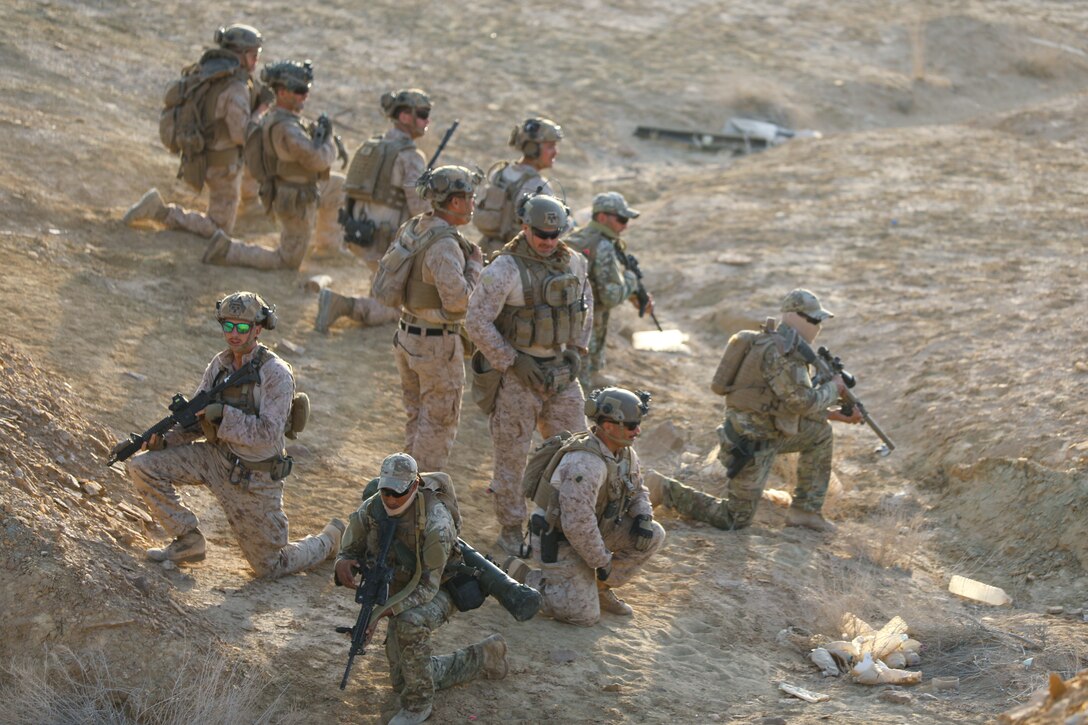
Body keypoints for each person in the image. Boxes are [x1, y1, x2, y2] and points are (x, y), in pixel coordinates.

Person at [121, 292, 343, 577]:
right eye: (228, 326)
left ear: (258, 329)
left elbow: (268, 432)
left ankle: (327, 541)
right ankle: (187, 540)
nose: (234, 334)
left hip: (254, 476)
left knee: (270, 566)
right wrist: (165, 440)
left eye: (242, 327)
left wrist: (224, 416)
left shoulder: (275, 373)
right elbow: (195, 420)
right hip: (215, 459)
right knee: (143, 466)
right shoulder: (220, 365)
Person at [646, 289, 862, 533]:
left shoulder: (782, 346)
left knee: (820, 433)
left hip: (767, 433)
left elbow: (785, 405)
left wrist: (834, 414)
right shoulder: (781, 353)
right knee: (734, 518)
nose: (818, 327)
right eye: (815, 320)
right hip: (750, 443)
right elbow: (803, 402)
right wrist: (835, 387)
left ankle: (806, 511)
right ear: (796, 317)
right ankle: (663, 488)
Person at [335, 453, 509, 725]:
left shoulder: (436, 523)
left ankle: (418, 706)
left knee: (408, 622)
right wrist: (342, 561)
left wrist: (380, 613)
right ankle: (486, 656)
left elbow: (429, 586)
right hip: (403, 585)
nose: (391, 498)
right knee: (402, 679)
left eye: (398, 492)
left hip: (443, 587)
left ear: (414, 487)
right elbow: (350, 546)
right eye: (386, 490)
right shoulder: (372, 509)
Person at [464, 194, 593, 556]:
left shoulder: (575, 264)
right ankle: (510, 528)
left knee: (574, 453)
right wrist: (511, 360)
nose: (548, 241)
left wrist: (577, 351)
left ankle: (559, 524)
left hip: (561, 375)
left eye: (555, 234)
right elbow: (475, 320)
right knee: (511, 456)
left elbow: (587, 309)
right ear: (525, 227)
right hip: (520, 378)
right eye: (541, 234)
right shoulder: (505, 268)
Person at [509, 388, 665, 626]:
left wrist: (643, 515)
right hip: (559, 538)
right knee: (582, 616)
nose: (638, 431)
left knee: (653, 534)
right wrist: (601, 561)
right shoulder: (585, 464)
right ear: (608, 426)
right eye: (632, 425)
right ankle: (526, 577)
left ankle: (599, 588)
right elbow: (576, 525)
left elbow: (638, 489)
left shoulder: (625, 453)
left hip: (596, 530)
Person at [123, 24, 268, 239]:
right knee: (220, 228)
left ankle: (249, 201)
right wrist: (261, 111)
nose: (256, 61)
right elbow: (242, 134)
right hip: (221, 165)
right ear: (239, 55)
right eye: (253, 55)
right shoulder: (235, 87)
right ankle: (160, 211)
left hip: (202, 151)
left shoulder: (209, 71)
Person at [203, 59, 346, 268]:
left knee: (338, 187)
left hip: (299, 187)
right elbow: (317, 159)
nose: (304, 95)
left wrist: (318, 132)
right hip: (295, 196)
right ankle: (228, 249)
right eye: (298, 90)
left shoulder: (282, 118)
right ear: (281, 92)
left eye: (306, 89)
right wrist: (329, 142)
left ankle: (328, 247)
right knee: (288, 261)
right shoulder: (286, 127)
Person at [316, 89, 435, 331]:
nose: (426, 121)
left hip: (358, 235)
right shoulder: (410, 156)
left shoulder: (371, 146)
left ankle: (378, 291)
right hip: (386, 244)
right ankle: (343, 305)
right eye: (422, 114)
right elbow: (421, 209)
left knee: (386, 286)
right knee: (401, 310)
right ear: (404, 116)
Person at [567, 191, 653, 388]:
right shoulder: (603, 245)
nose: (625, 225)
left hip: (573, 320)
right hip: (587, 324)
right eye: (621, 219)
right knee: (581, 386)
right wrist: (631, 280)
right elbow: (610, 297)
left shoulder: (581, 237)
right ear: (602, 217)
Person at [474, 117, 564, 259]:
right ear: (532, 149)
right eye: (550, 146)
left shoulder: (499, 172)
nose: (555, 152)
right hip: (518, 258)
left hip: (486, 249)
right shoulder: (539, 186)